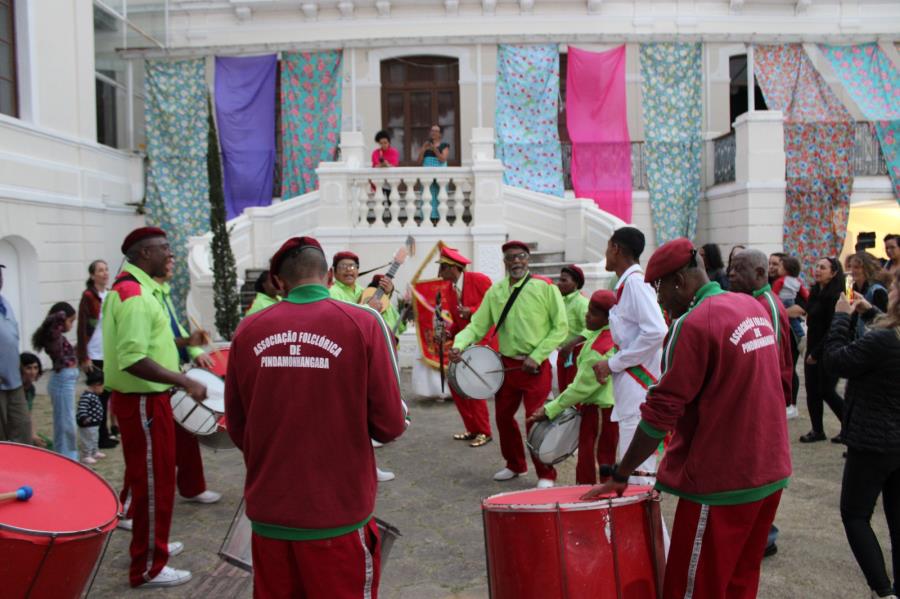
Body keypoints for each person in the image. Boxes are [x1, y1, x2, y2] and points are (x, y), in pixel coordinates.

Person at [583, 237, 791, 599]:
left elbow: (661, 412)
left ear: (678, 281)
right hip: (770, 472)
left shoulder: (693, 323)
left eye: (658, 291)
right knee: (740, 582)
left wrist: (621, 473)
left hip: (722, 483)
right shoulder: (751, 306)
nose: (660, 302)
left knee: (692, 588)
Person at [225, 236, 407, 599]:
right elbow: (389, 424)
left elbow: (236, 423)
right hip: (337, 514)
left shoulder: (248, 329)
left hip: (270, 513)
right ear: (328, 277)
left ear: (279, 282)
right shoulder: (363, 323)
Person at [102, 226, 208, 588]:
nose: (170, 254)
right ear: (144, 254)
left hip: (148, 401)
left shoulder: (138, 290)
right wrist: (185, 381)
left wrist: (183, 341)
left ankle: (153, 545)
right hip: (144, 402)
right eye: (164, 248)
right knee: (153, 483)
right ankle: (148, 566)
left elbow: (144, 341)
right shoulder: (135, 295)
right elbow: (132, 358)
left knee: (156, 480)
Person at [450, 240, 567, 488]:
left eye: (521, 256)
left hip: (536, 366)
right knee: (503, 417)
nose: (516, 261)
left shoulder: (545, 287)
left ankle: (546, 474)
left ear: (528, 259)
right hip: (507, 366)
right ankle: (515, 464)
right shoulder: (496, 291)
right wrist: (459, 344)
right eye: (511, 257)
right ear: (504, 262)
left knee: (534, 420)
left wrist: (537, 355)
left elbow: (561, 327)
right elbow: (478, 325)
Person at [824, 277, 900, 599]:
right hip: (896, 441)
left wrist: (841, 316)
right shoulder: (889, 337)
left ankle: (882, 591)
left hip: (873, 441)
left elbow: (837, 360)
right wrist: (869, 312)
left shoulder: (885, 340)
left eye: (895, 286)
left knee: (855, 515)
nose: (890, 289)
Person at [593, 227, 667, 485]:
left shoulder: (635, 283)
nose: (606, 254)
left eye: (607, 247)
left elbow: (657, 330)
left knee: (638, 480)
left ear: (616, 248)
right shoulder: (627, 284)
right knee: (635, 477)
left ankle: (650, 526)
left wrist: (613, 363)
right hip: (631, 390)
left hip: (639, 391)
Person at [528, 290, 617, 485]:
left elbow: (580, 388)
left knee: (593, 460)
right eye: (588, 311)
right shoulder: (606, 335)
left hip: (599, 412)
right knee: (600, 456)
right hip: (603, 410)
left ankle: (595, 501)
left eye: (593, 313)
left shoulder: (599, 347)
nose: (587, 315)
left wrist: (550, 409)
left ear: (607, 317)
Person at [435, 245, 494, 447]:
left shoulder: (479, 279)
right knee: (456, 384)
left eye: (441, 268)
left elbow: (496, 306)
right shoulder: (451, 290)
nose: (439, 273)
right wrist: (448, 332)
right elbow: (459, 322)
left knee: (473, 386)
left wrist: (473, 310)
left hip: (484, 341)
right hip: (465, 342)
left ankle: (484, 431)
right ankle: (472, 428)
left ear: (452, 268)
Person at [796, 257, 846, 444]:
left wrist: (817, 353)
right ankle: (817, 430)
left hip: (829, 349)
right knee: (812, 391)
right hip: (813, 346)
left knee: (827, 390)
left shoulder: (836, 296)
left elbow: (833, 328)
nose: (817, 270)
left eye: (823, 268)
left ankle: (848, 426)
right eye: (817, 267)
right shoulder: (815, 292)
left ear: (833, 272)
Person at [76, 259, 117, 448]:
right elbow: (82, 327)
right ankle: (99, 437)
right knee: (98, 396)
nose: (105, 273)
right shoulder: (89, 296)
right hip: (94, 351)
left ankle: (106, 432)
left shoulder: (110, 295)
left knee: (107, 394)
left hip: (109, 351)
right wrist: (84, 355)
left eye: (106, 269)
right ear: (93, 275)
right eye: (100, 270)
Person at [32, 302, 79, 460]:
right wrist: (59, 317)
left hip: (67, 379)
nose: (71, 325)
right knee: (66, 424)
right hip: (62, 380)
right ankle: (67, 458)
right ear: (60, 320)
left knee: (67, 422)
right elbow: (56, 346)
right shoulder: (53, 334)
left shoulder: (58, 336)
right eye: (70, 321)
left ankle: (68, 456)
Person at [0, 263, 32, 444]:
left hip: (14, 381)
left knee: (22, 426)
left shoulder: (4, 302)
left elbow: (11, 339)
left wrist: (20, 368)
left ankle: (20, 469)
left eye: (0, 275)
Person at [772, 254, 807, 419]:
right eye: (770, 264)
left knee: (789, 367)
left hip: (788, 331)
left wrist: (783, 312)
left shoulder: (782, 283)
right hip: (778, 327)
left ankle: (791, 403)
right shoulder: (788, 282)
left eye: (776, 264)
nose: (772, 267)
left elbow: (804, 304)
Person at [556, 264, 589, 393]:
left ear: (576, 283)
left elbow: (591, 330)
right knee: (562, 391)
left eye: (564, 280)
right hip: (562, 354)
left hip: (576, 356)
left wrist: (572, 345)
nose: (559, 283)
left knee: (572, 393)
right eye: (559, 279)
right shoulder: (560, 301)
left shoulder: (582, 303)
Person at [848, 251, 890, 339]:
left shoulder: (877, 290)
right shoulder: (852, 289)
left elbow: (884, 319)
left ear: (867, 269)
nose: (851, 271)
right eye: (850, 266)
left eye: (856, 267)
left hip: (873, 341)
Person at [417, 124, 450, 222]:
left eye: (436, 131)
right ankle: (428, 218)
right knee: (428, 196)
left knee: (440, 196)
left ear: (440, 134)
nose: (434, 133)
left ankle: (440, 218)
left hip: (440, 176)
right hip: (427, 176)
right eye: (432, 130)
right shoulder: (426, 145)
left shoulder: (444, 145)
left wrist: (434, 149)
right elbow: (419, 162)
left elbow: (443, 159)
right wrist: (423, 149)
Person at [77, 368, 106, 465]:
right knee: (88, 440)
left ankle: (94, 452)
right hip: (88, 424)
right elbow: (82, 407)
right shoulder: (87, 396)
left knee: (94, 438)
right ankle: (86, 455)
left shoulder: (93, 395)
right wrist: (84, 417)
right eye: (102, 386)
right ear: (97, 384)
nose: (103, 389)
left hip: (94, 423)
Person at [19, 352, 47, 447]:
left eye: (35, 368)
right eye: (28, 368)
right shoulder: (14, 390)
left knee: (47, 444)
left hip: (24, 428)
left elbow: (29, 414)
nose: (33, 372)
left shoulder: (31, 389)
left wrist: (33, 435)